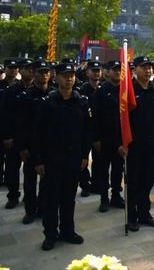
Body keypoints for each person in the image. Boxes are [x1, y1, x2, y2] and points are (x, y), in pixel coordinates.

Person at [32, 63, 92, 251]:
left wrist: (84, 155)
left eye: (72, 75)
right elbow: (37, 134)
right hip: (52, 158)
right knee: (51, 198)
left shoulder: (81, 101)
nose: (70, 79)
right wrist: (38, 160)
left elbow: (86, 132)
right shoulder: (47, 102)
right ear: (56, 78)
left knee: (68, 197)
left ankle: (68, 231)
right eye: (65, 75)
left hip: (73, 157)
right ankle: (50, 235)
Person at [122, 56, 154, 231]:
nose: (148, 70)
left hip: (152, 144)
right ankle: (131, 216)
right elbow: (122, 119)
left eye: (149, 67)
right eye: (143, 67)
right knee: (133, 182)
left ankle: (145, 213)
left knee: (147, 181)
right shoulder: (128, 91)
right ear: (135, 69)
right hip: (134, 145)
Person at [17, 60, 54, 224]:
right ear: (34, 73)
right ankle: (30, 211)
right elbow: (21, 124)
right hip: (31, 145)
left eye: (47, 72)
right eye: (41, 72)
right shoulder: (27, 96)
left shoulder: (54, 94)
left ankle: (43, 207)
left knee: (48, 180)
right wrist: (23, 147)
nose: (44, 75)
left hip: (50, 145)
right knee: (30, 179)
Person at [91, 61, 125, 213]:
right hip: (105, 138)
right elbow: (95, 116)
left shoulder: (125, 90)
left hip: (121, 138)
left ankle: (116, 196)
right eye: (115, 70)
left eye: (120, 70)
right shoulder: (101, 91)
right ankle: (104, 198)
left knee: (118, 169)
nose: (118, 73)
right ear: (107, 72)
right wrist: (96, 138)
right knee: (103, 170)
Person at [2, 59, 33, 209]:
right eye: (27, 68)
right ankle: (13, 196)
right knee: (12, 169)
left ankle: (29, 197)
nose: (30, 71)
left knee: (30, 171)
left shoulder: (39, 89)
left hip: (31, 138)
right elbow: (5, 115)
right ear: (21, 71)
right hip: (14, 137)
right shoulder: (11, 90)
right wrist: (6, 136)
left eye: (32, 68)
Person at [78, 60, 102, 197]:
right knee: (83, 158)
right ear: (87, 73)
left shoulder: (103, 89)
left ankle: (96, 183)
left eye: (98, 70)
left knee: (99, 159)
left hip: (99, 129)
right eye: (94, 70)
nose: (97, 73)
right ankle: (85, 184)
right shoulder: (82, 90)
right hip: (85, 129)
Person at [0, 59, 19, 187]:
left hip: (15, 127)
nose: (13, 70)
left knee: (13, 161)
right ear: (5, 69)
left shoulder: (19, 86)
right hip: (2, 125)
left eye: (15, 68)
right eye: (10, 67)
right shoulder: (1, 84)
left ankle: (10, 182)